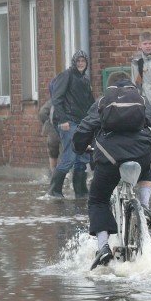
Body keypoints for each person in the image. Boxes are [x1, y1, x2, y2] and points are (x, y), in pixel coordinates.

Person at [73, 71, 151, 268]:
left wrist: (80, 148)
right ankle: (143, 205)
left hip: (110, 157)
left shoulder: (103, 101)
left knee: (98, 200)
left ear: (109, 87)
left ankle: (103, 246)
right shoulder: (141, 100)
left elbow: (84, 130)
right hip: (142, 155)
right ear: (131, 85)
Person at [48, 50, 95, 199]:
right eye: (78, 61)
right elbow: (56, 98)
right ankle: (54, 191)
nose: (81, 64)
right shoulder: (66, 75)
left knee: (82, 156)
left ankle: (80, 191)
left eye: (83, 61)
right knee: (70, 155)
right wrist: (63, 120)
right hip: (69, 121)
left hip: (83, 122)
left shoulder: (85, 80)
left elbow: (90, 102)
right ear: (74, 62)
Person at [38, 97, 60, 173]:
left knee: (53, 153)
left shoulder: (52, 101)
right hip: (66, 131)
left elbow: (42, 112)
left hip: (53, 132)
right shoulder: (70, 100)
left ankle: (53, 173)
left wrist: (48, 124)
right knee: (66, 153)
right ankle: (65, 176)